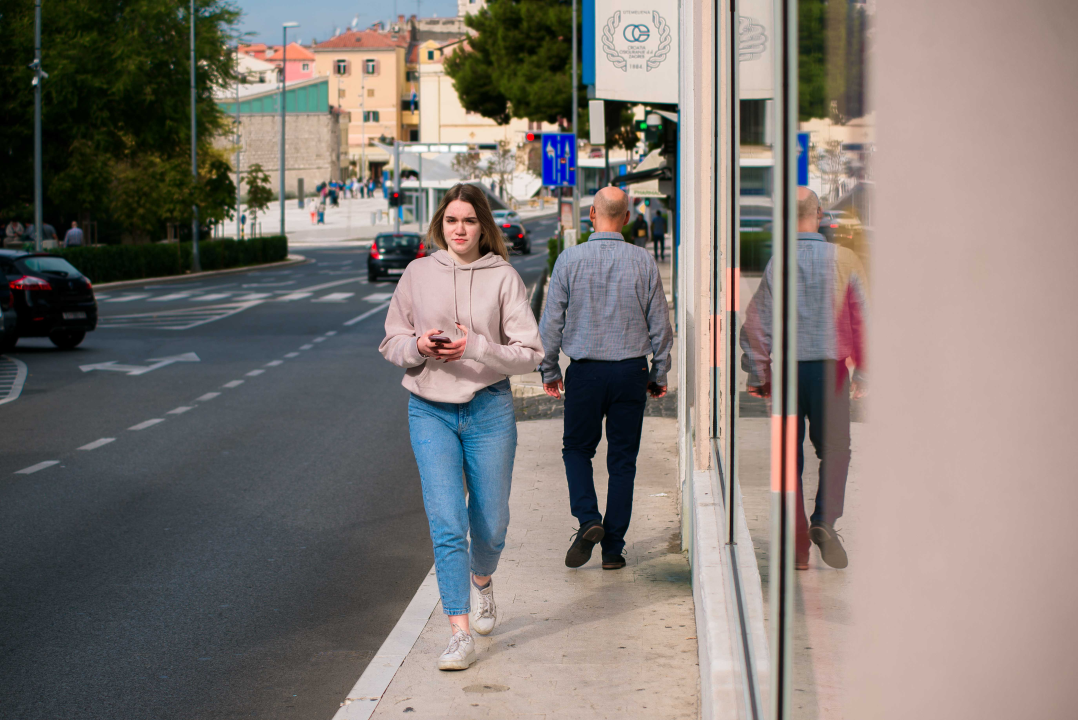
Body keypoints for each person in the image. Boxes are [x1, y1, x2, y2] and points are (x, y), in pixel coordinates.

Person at [380, 182, 544, 671]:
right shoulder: (416, 273)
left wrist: (475, 346)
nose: (459, 229)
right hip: (429, 408)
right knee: (448, 522)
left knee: (491, 525)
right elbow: (391, 342)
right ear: (440, 224)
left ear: (482, 226)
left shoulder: (503, 278)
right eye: (451, 220)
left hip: (488, 406)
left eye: (469, 221)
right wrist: (419, 347)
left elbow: (530, 354)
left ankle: (483, 580)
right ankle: (458, 630)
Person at [538, 186, 674, 571]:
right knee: (623, 461)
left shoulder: (569, 260)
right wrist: (659, 371)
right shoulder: (643, 262)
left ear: (592, 215)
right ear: (628, 218)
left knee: (577, 450)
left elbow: (551, 325)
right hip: (631, 371)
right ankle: (613, 549)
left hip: (585, 372)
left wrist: (549, 370)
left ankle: (587, 519)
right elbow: (661, 325)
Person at [739, 187, 867, 570]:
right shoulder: (845, 259)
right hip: (831, 373)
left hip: (790, 371)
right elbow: (864, 322)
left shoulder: (779, 263)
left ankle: (797, 549)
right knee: (836, 450)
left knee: (787, 458)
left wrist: (759, 372)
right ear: (821, 213)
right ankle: (824, 521)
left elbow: (756, 325)